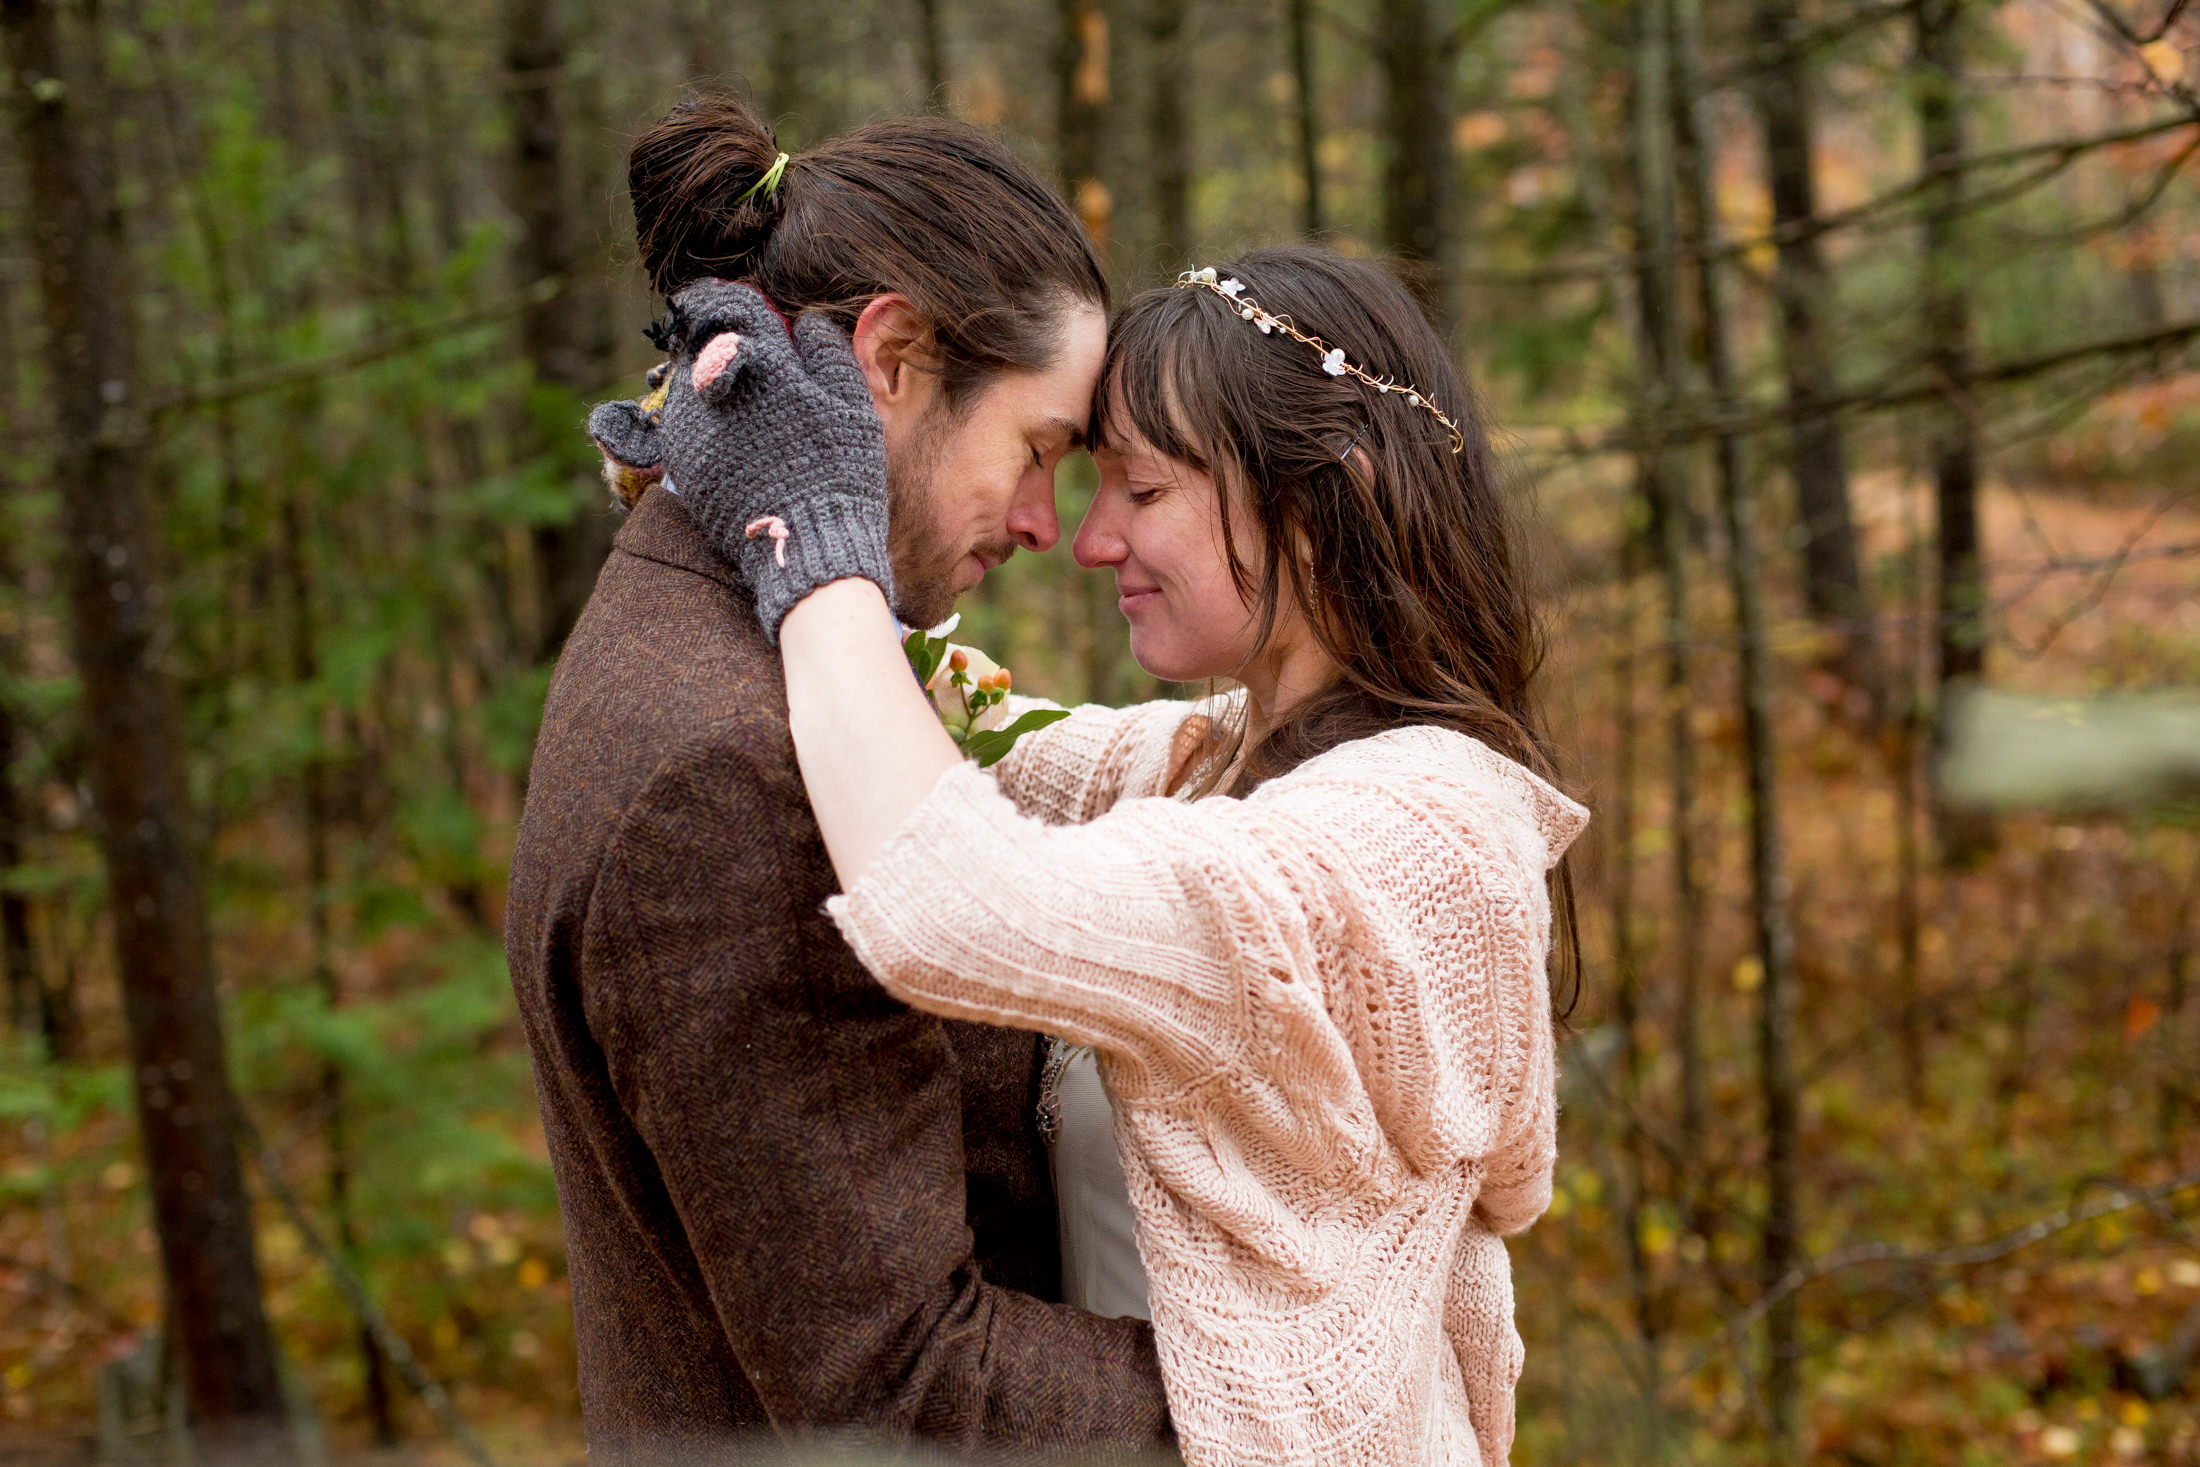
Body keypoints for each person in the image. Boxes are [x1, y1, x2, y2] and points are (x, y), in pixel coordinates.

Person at [642, 246, 1587, 1466]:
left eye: (1142, 490)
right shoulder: (1216, 761)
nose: (1090, 541)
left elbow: (954, 901)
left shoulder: (1407, 840)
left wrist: (810, 539)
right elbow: (976, 738)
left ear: (1322, 501)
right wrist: (745, 458)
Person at [505, 96, 1174, 1464]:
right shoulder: (734, 771)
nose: (1044, 524)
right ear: (894, 358)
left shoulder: (711, 627)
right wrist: (1315, 1383)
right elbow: (910, 1384)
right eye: (1039, 450)